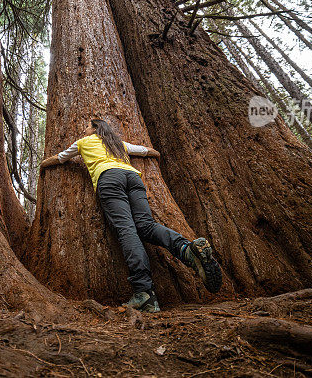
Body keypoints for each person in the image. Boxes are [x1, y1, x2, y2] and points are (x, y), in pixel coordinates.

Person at [40, 118, 222, 313]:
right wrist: (156, 154)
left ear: (94, 129)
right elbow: (144, 151)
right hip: (133, 178)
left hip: (109, 178)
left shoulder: (83, 142)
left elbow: (60, 158)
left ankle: (144, 293)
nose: (84, 129)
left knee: (127, 229)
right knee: (146, 226)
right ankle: (187, 250)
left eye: (87, 126)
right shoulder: (117, 143)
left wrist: (42, 165)